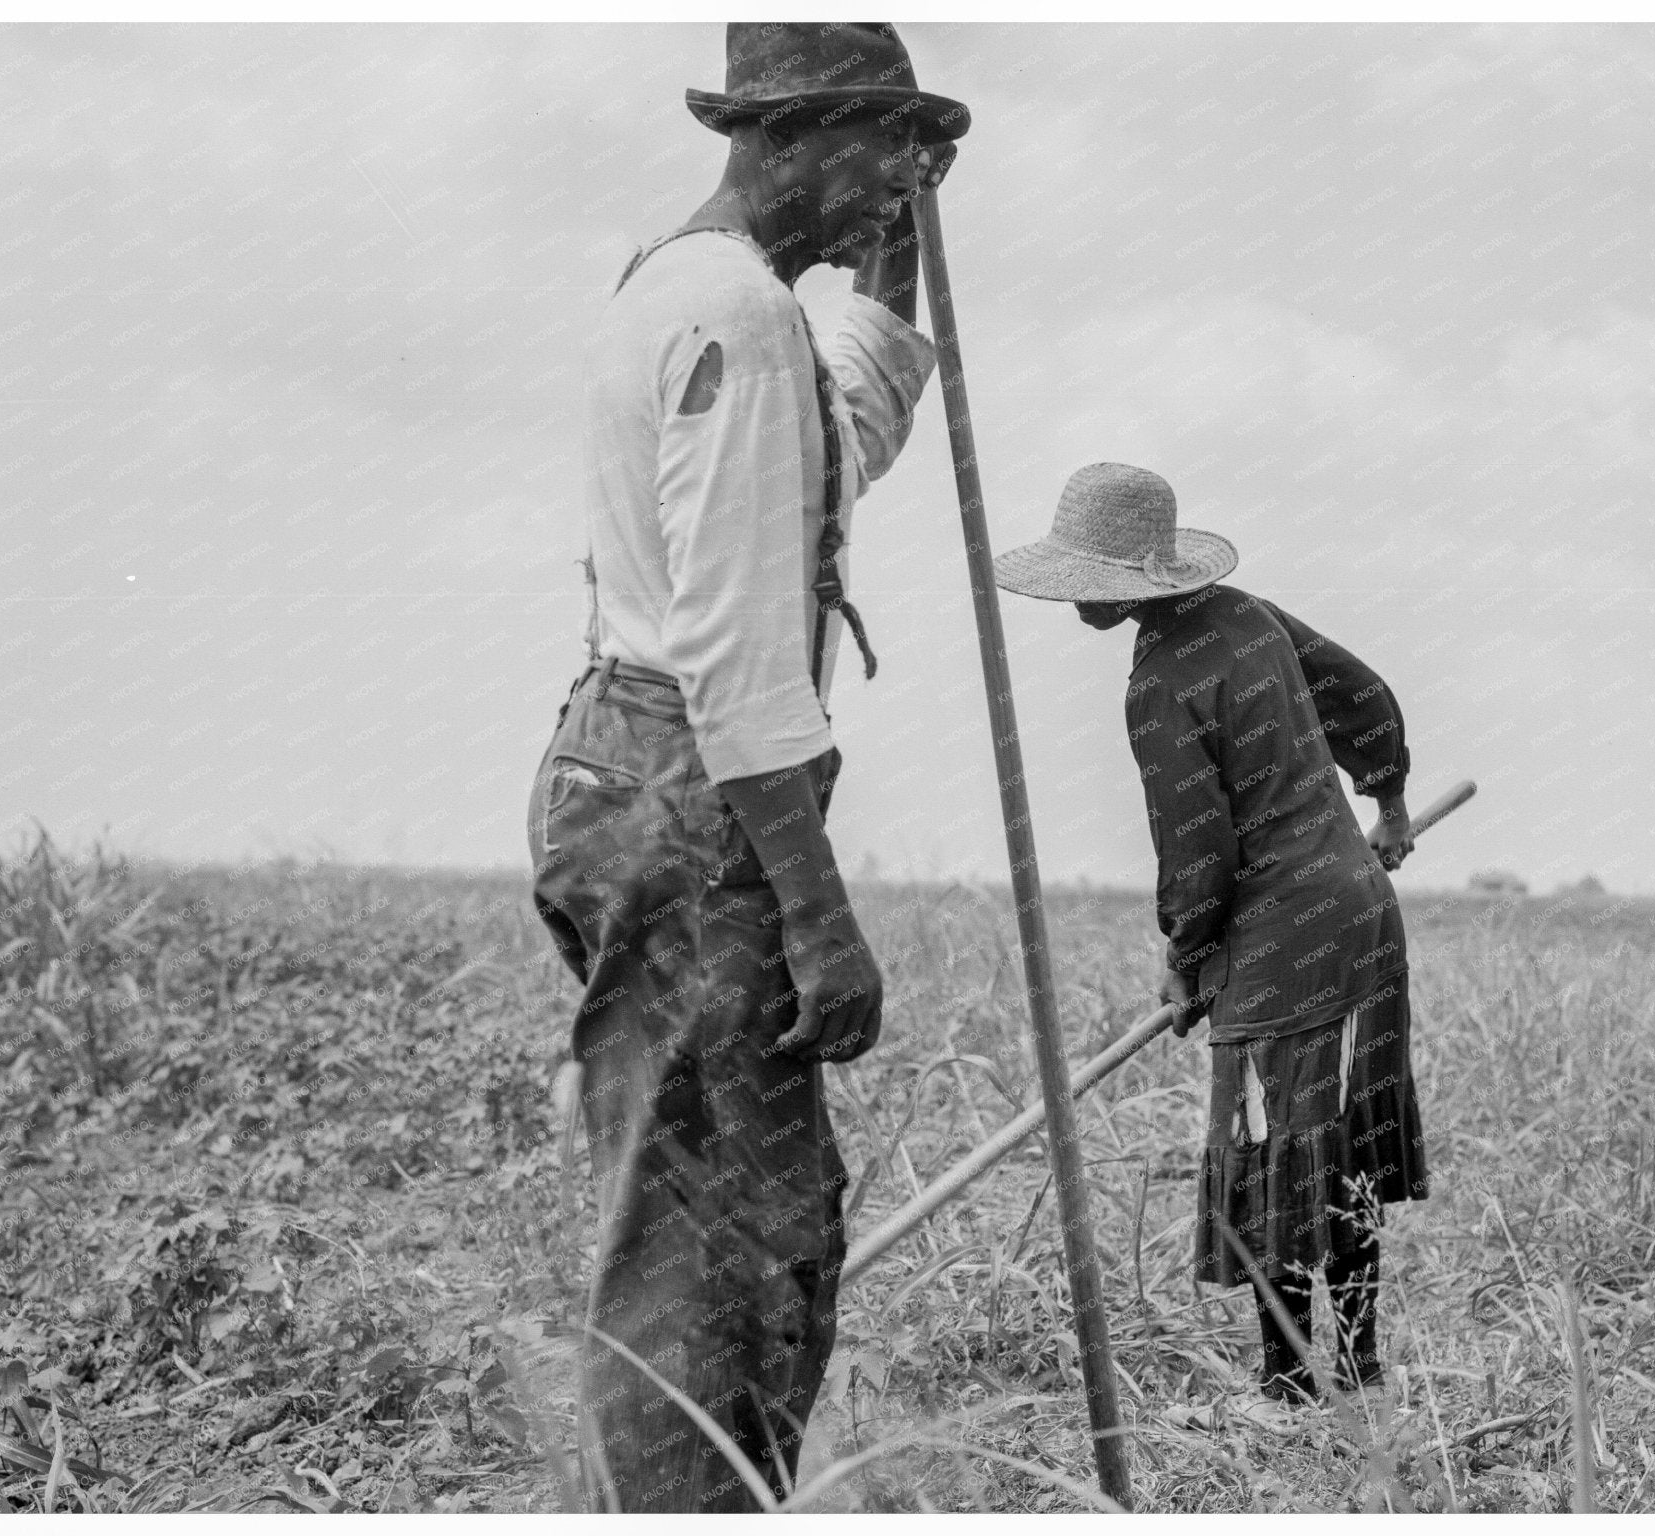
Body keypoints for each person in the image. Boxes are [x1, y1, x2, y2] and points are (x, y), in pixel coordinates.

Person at [524, 23, 968, 1511]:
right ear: (788, 139)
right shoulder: (731, 314)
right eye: (884, 145)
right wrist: (818, 914)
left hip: (645, 769)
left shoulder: (713, 293)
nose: (902, 176)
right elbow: (731, 652)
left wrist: (895, 262)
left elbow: (838, 437)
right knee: (706, 1240)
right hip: (691, 784)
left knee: (742, 1218)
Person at [993, 462, 1430, 1417]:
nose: (1079, 605)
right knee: (1341, 1141)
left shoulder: (1157, 685)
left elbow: (1198, 855)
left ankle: (1287, 1393)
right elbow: (1363, 691)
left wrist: (1186, 960)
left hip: (1282, 941)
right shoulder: (1252, 614)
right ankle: (1358, 1374)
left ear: (1135, 585)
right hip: (1361, 914)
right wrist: (1387, 797)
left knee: (1271, 1149)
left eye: (1093, 586)